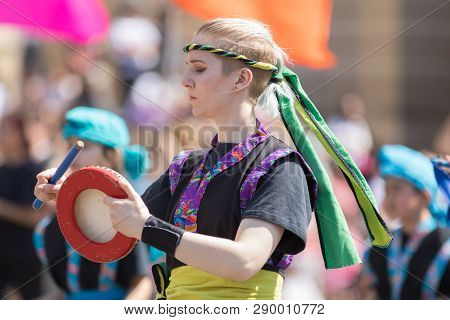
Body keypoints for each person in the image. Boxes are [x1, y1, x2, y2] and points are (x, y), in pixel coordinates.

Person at [35, 18, 391, 300]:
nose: (185, 81)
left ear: (241, 79)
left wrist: (149, 227)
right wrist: (68, 193)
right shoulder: (184, 168)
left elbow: (244, 261)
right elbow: (113, 227)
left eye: (199, 69)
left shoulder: (280, 166)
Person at [33, 106, 153, 299]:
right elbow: (63, 293)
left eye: (84, 147)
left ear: (111, 156)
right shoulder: (50, 226)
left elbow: (141, 283)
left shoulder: (127, 214)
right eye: (69, 146)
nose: (73, 155)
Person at [360, 145, 449, 299]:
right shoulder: (379, 247)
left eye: (396, 189)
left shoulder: (444, 245)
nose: (389, 197)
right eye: (387, 189)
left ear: (424, 195)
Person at [0, 113, 45, 299]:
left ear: (19, 134)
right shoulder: (2, 171)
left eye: (6, 130)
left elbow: (35, 217)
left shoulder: (33, 171)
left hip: (24, 258)